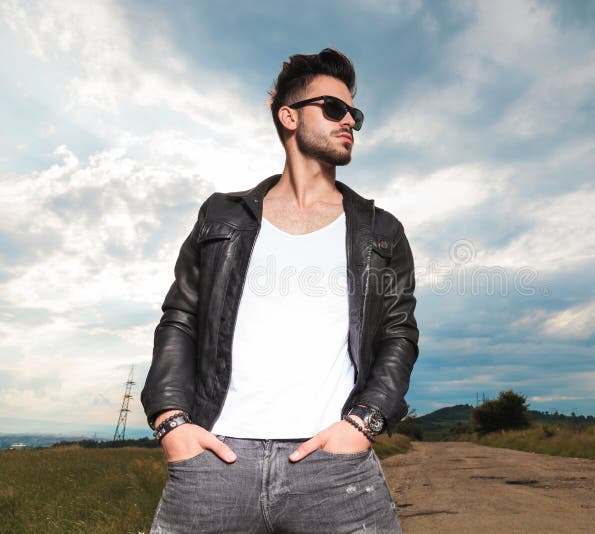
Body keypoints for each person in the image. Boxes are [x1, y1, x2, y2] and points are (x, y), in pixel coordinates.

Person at [141, 48, 420, 533]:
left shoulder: (382, 231)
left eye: (354, 112)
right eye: (333, 108)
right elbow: (180, 318)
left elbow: (399, 335)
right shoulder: (221, 217)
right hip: (215, 461)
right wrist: (170, 422)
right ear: (288, 116)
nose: (348, 120)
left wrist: (364, 423)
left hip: (334, 466)